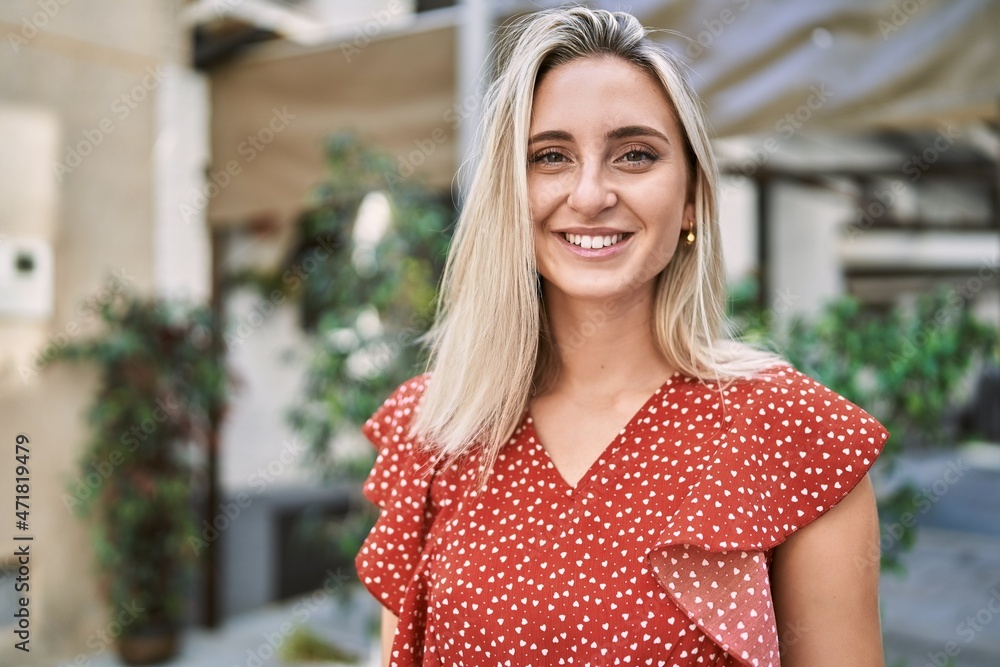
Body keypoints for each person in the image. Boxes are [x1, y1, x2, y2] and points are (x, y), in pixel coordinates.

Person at [355, 7, 889, 667]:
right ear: (508, 194)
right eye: (550, 156)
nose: (590, 193)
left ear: (691, 194)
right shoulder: (433, 429)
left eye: (635, 154)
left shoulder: (792, 433)